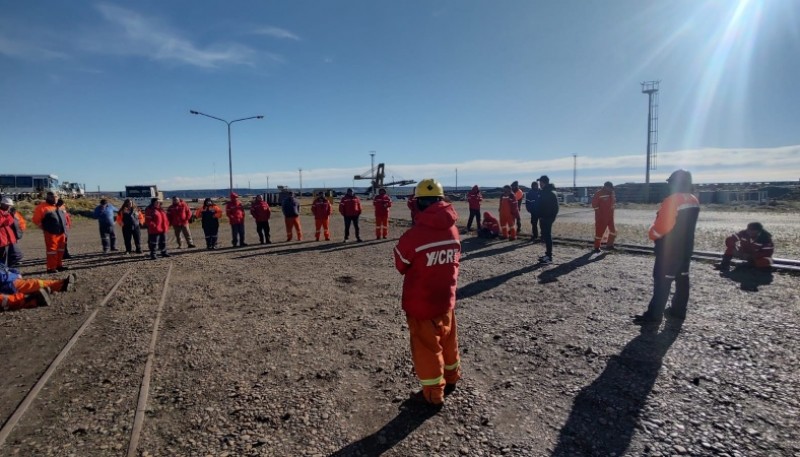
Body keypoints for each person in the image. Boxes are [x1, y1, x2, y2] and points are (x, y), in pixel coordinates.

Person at [393, 179, 462, 406]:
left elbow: (401, 263)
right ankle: (452, 376)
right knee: (448, 341)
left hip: (421, 303)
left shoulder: (416, 235)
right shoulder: (453, 229)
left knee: (427, 349)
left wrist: (417, 222)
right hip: (446, 299)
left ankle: (433, 393)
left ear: (418, 203)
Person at [634, 169, 700, 324]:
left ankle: (654, 316)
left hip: (669, 250)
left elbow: (663, 227)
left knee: (662, 281)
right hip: (686, 248)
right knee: (682, 279)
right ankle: (678, 311)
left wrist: (652, 233)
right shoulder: (693, 199)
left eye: (671, 182)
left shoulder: (672, 200)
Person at [1, 264, 76, 311]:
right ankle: (32, 300)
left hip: (8, 282)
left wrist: (15, 274)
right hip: (7, 284)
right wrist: (14, 275)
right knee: (5, 299)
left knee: (34, 283)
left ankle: (60, 285)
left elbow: (5, 268)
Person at [32, 191, 69, 273]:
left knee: (61, 250)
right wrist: (45, 228)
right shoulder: (42, 207)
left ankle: (59, 265)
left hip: (62, 232)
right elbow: (36, 220)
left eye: (56, 196)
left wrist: (67, 228)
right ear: (47, 197)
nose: (54, 198)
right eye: (52, 197)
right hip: (51, 233)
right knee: (52, 251)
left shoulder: (61, 206)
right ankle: (51, 268)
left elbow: (66, 218)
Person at [534, 175, 559, 264]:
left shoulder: (550, 192)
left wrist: (548, 217)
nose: (539, 184)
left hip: (547, 218)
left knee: (548, 237)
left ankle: (549, 257)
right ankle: (547, 255)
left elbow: (554, 208)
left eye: (540, 182)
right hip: (544, 218)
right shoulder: (545, 191)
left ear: (544, 182)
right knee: (546, 236)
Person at [591, 181, 617, 253]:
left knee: (613, 231)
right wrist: (599, 215)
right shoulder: (599, 193)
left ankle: (609, 245)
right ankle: (596, 247)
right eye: (610, 188)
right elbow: (594, 204)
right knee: (599, 233)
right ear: (606, 187)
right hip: (601, 217)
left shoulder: (612, 193)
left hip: (610, 217)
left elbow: (613, 203)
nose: (611, 189)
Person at [0, 197, 25, 267]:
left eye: (10, 205)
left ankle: (6, 268)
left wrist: (11, 215)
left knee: (16, 255)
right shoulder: (4, 213)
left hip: (9, 239)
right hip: (2, 239)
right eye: (8, 205)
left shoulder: (8, 213)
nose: (9, 207)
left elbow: (11, 222)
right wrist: (8, 215)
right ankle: (4, 270)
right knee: (3, 258)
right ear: (2, 204)